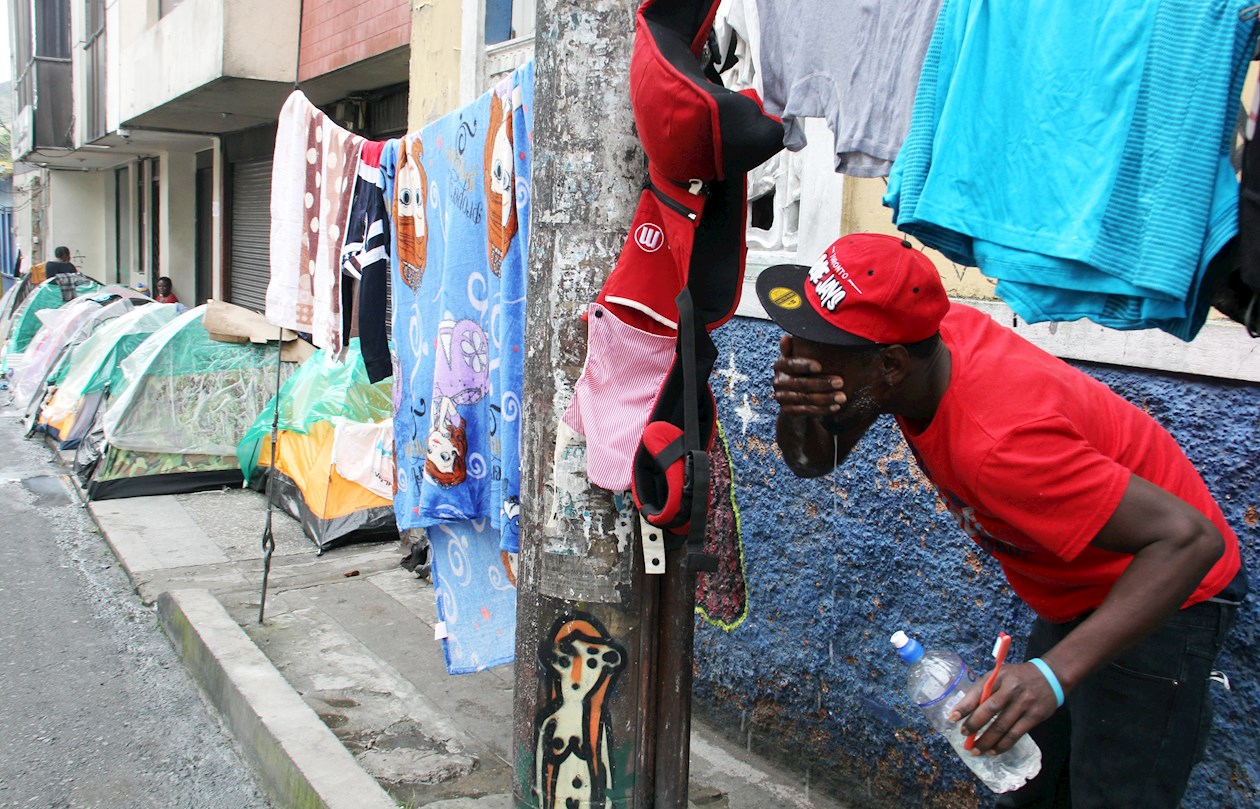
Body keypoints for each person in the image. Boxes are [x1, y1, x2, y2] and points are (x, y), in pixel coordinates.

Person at [757, 233, 1246, 808]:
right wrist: (797, 406)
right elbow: (817, 460)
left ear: (889, 364)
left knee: (1115, 794)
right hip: (1079, 587)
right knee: (1030, 784)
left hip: (1166, 584)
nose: (795, 352)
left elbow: (1191, 540)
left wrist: (1051, 675)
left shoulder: (998, 445)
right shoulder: (917, 354)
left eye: (817, 344)